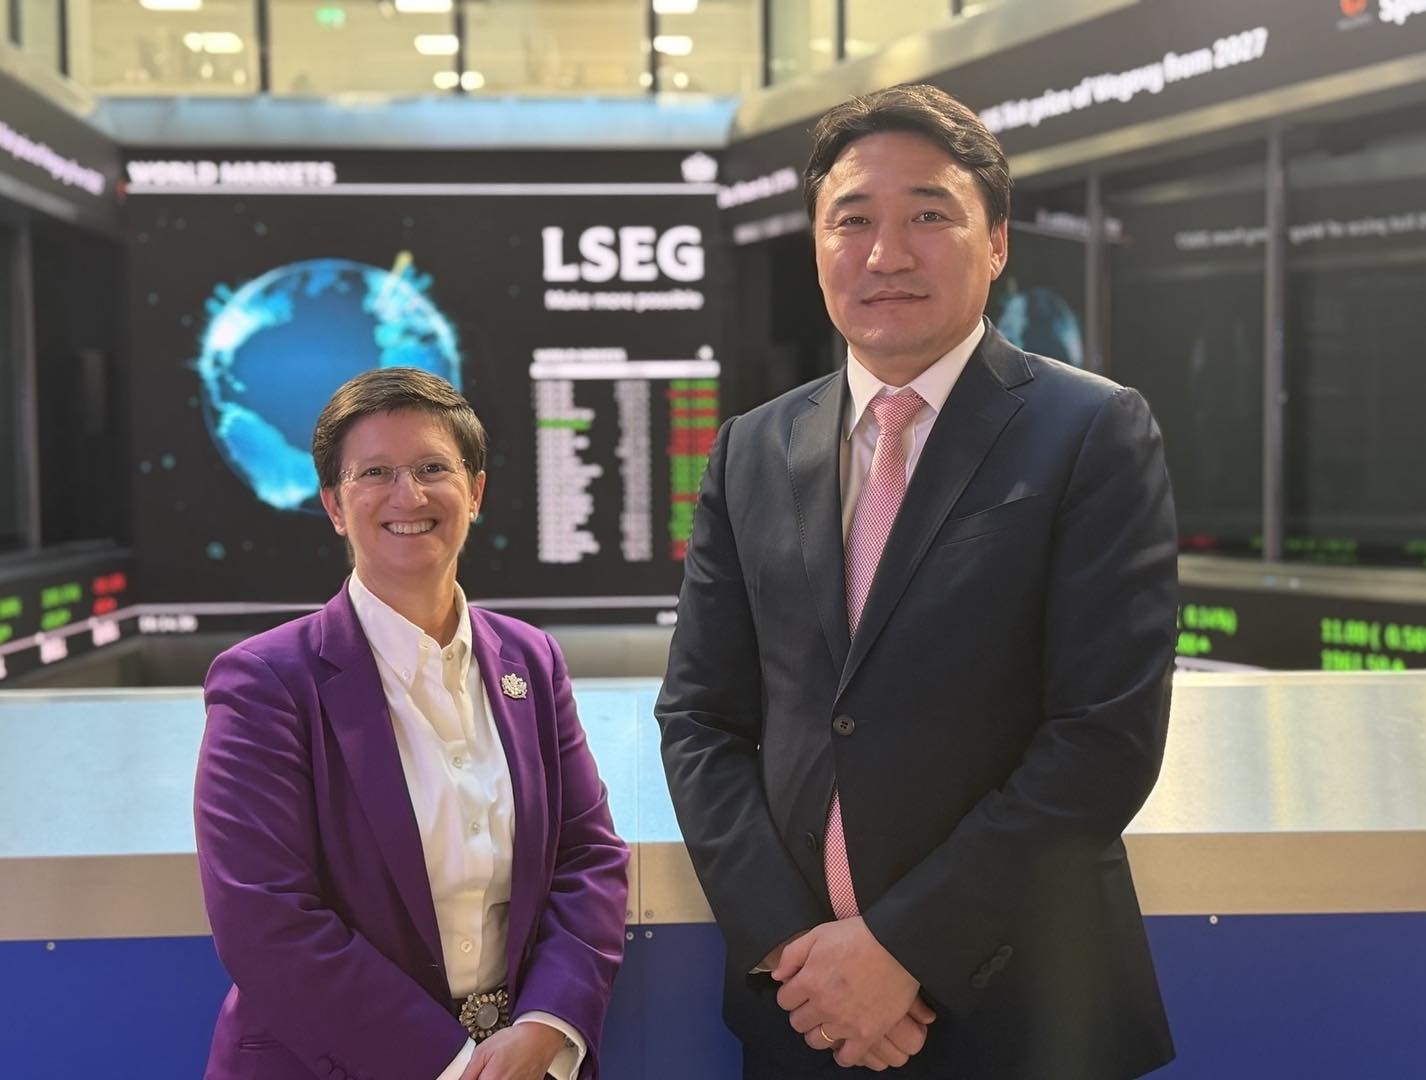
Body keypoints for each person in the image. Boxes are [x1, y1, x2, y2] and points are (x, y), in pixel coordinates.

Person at [656, 83, 1178, 1080]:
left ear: (997, 242)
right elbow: (700, 720)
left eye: (929, 216)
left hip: (1025, 1014)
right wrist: (792, 950)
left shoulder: (1091, 432)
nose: (886, 254)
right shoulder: (752, 449)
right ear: (817, 245)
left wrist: (900, 952)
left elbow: (1102, 738)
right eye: (851, 220)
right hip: (802, 1014)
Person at [195, 367, 628, 1080]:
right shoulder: (265, 683)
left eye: (433, 468)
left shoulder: (531, 660)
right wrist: (455, 1066)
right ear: (334, 506)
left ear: (476, 492)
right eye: (375, 473)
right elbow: (264, 919)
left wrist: (546, 1027)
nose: (409, 495)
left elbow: (588, 856)